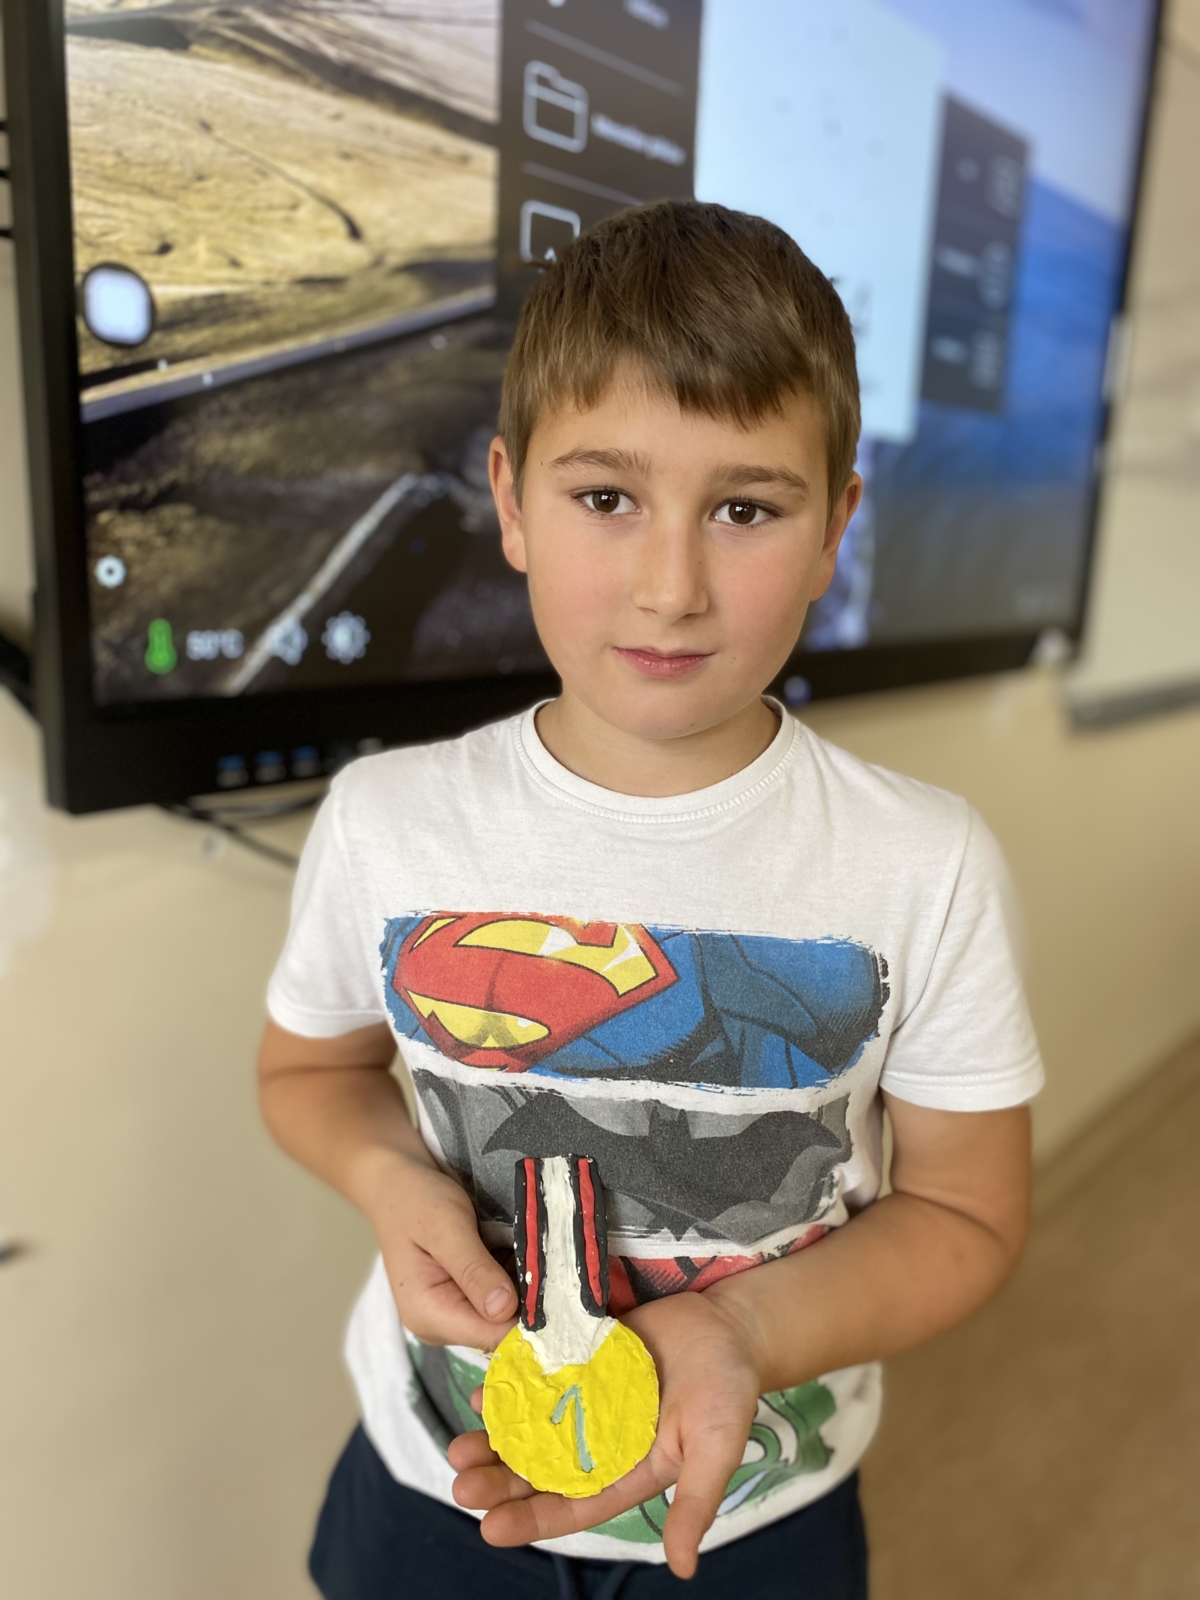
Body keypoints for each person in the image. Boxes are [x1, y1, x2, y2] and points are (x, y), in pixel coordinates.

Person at [259, 200, 1042, 1600]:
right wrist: (388, 1181)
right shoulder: (387, 819)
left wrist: (748, 1334)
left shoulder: (927, 864)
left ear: (835, 527)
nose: (671, 587)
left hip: (758, 1513)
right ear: (511, 502)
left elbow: (968, 1218)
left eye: (745, 509)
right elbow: (307, 1072)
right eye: (607, 498)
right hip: (430, 1486)